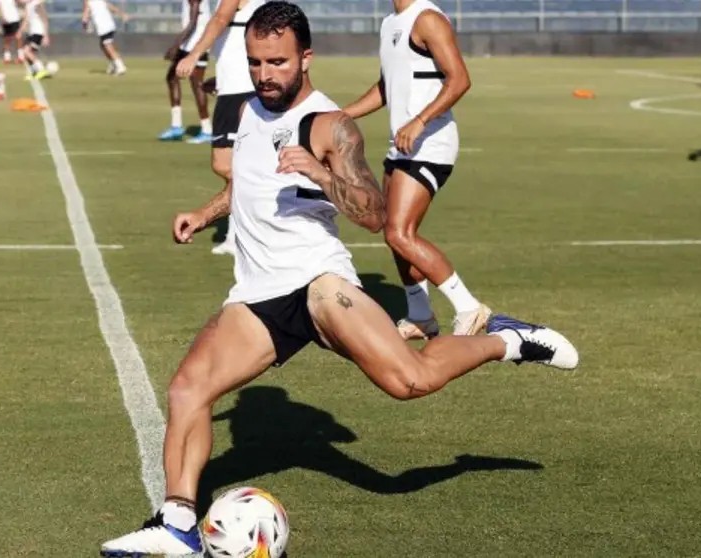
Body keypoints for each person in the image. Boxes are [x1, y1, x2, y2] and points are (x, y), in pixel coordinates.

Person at [99, 3, 579, 555]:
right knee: (188, 389)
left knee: (410, 382)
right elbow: (248, 185)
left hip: (318, 282)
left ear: (306, 57)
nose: (264, 74)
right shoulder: (244, 110)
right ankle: (178, 523)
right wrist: (205, 214)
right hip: (258, 292)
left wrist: (322, 172)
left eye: (277, 62)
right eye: (255, 63)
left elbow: (375, 214)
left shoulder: (330, 124)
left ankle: (506, 340)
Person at [343, 0, 489, 340]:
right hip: (403, 145)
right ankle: (421, 316)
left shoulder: (428, 19)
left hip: (431, 143)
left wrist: (420, 120)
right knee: (393, 235)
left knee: (399, 232)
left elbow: (460, 79)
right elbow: (385, 87)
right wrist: (342, 115)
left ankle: (469, 307)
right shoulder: (390, 23)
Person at [175, 0, 270, 256]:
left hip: (240, 91)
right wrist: (222, 78)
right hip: (236, 86)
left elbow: (219, 20)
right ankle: (241, 232)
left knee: (229, 166)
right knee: (234, 166)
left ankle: (244, 232)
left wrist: (194, 55)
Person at [158, 0, 213, 144]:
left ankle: (207, 130)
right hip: (188, 44)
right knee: (172, 77)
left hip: (198, 45)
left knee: (197, 85)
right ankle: (176, 126)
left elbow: (193, 23)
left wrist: (175, 45)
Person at [82, 0, 129, 75]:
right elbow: (110, 6)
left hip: (103, 26)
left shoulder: (89, 2)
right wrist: (122, 14)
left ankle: (120, 66)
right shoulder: (100, 1)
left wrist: (85, 24)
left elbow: (86, 12)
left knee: (108, 45)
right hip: (109, 25)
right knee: (103, 45)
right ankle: (114, 64)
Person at [21, 0, 51, 80]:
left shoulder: (37, 4)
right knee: (25, 53)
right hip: (32, 32)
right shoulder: (28, 6)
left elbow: (45, 19)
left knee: (27, 51)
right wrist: (20, 31)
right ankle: (33, 72)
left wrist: (46, 35)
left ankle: (41, 70)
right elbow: (26, 20)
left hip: (39, 31)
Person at [0, 0, 24, 64]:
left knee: (18, 37)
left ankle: (21, 57)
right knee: (7, 39)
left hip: (15, 18)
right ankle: (7, 58)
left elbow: (20, 3)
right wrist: (1, 17)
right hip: (5, 20)